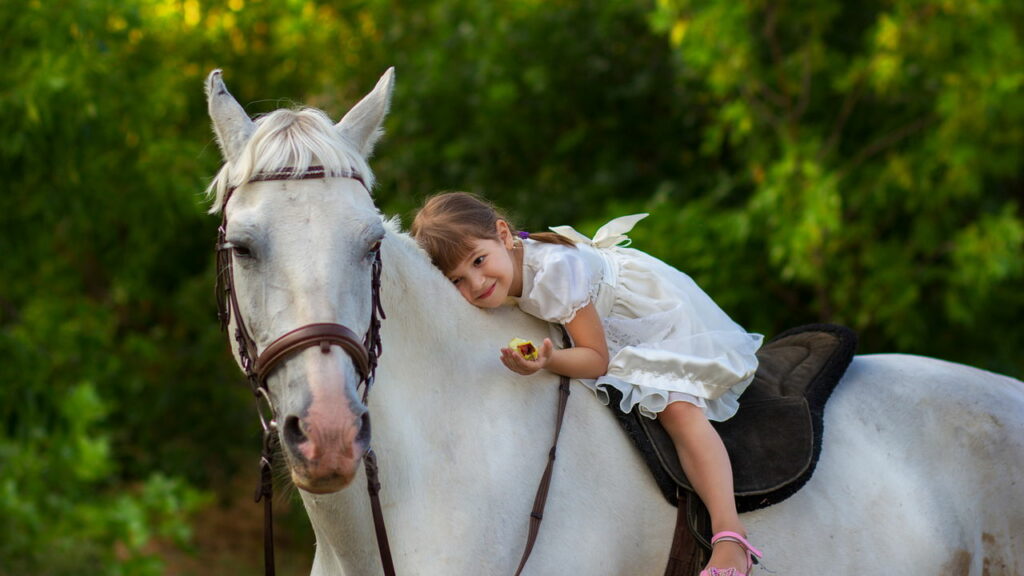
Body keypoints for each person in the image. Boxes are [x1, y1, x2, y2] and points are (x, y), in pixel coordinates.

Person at [411, 192, 764, 576]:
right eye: (457, 280)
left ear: (503, 234)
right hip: (595, 323)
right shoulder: (504, 276)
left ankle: (731, 535)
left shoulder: (555, 274)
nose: (476, 283)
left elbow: (596, 359)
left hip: (648, 319)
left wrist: (548, 361)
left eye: (478, 261)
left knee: (677, 409)